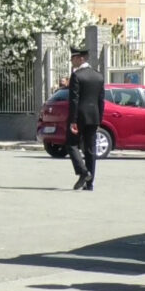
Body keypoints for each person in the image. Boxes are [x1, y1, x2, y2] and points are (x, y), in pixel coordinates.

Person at [66, 46, 104, 191]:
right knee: (90, 150)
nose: (71, 61)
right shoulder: (98, 76)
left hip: (79, 116)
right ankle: (90, 184)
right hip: (94, 117)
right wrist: (99, 119)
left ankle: (84, 172)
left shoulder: (77, 76)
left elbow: (74, 100)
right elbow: (101, 100)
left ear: (80, 58)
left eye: (73, 58)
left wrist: (73, 120)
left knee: (71, 144)